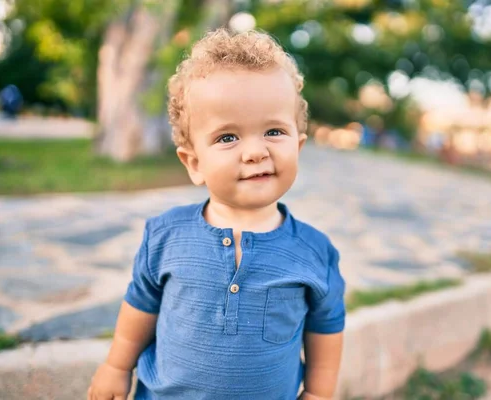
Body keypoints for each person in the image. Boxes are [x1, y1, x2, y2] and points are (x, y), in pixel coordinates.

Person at [87, 29, 346, 400]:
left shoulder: (314, 252)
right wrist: (116, 366)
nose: (255, 151)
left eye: (274, 131)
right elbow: (140, 306)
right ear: (194, 163)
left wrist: (319, 394)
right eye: (228, 137)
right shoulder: (166, 235)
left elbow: (326, 328)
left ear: (298, 146)